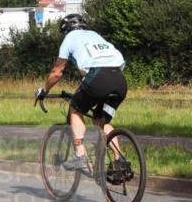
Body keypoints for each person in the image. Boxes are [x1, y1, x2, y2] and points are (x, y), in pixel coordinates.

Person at [35, 14, 127, 174]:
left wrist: (44, 91)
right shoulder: (95, 35)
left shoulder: (69, 38)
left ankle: (80, 155)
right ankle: (120, 160)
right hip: (119, 81)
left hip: (98, 78)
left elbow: (56, 73)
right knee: (101, 120)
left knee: (75, 109)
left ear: (66, 30)